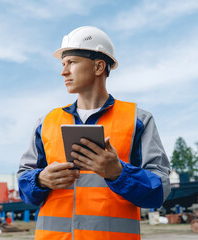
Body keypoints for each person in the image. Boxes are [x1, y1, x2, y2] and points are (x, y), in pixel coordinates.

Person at [17, 26, 171, 240]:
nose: (63, 71)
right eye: (63, 64)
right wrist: (41, 180)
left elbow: (160, 190)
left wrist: (119, 173)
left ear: (99, 66)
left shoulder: (138, 120)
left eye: (71, 62)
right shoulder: (46, 123)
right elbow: (23, 185)